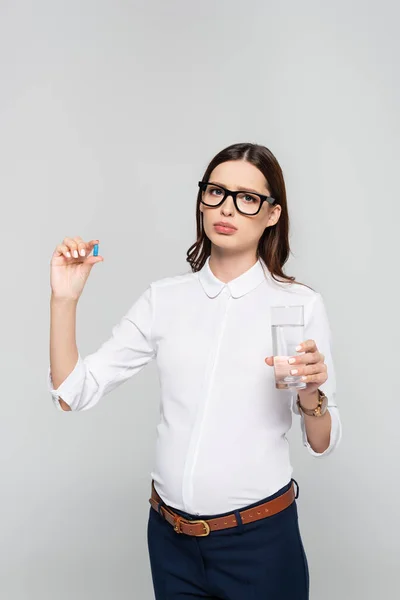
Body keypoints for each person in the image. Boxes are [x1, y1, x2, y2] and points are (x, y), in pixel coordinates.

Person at [48, 142, 342, 599]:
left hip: (260, 544)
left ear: (272, 214)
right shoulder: (164, 300)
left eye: (247, 198)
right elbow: (73, 392)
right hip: (170, 543)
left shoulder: (299, 304)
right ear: (201, 199)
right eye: (216, 192)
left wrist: (311, 396)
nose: (227, 207)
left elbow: (320, 442)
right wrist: (64, 300)